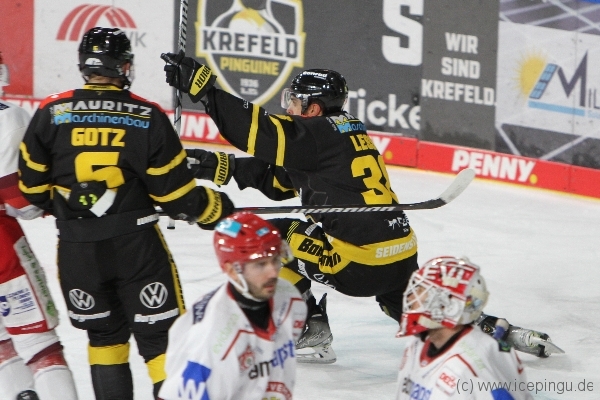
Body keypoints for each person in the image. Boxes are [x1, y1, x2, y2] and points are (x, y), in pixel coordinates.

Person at [159, 52, 561, 363]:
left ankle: (309, 325)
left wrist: (205, 89)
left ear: (313, 109)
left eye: (294, 102)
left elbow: (254, 130)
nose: (288, 108)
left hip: (356, 264)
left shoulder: (313, 135)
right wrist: (214, 165)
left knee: (266, 238)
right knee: (409, 309)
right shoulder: (345, 132)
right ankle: (497, 332)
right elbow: (280, 182)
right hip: (400, 252)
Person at [17, 28, 234, 399]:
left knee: (104, 339)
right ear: (124, 66)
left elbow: (31, 189)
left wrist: (73, 206)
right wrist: (214, 208)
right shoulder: (147, 115)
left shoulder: (51, 112)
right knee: (161, 341)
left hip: (78, 251)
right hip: (137, 250)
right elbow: (176, 197)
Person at [158, 212, 307, 400]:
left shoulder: (289, 299)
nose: (273, 272)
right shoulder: (211, 340)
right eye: (260, 264)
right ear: (232, 270)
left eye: (275, 259)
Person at [0, 53, 78, 400]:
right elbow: (22, 203)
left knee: (2, 344)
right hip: (2, 249)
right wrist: (54, 202)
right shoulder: (8, 118)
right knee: (40, 345)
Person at [395, 256, 532, 400]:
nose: (410, 298)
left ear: (447, 306)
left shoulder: (473, 367)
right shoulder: (414, 347)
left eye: (421, 290)